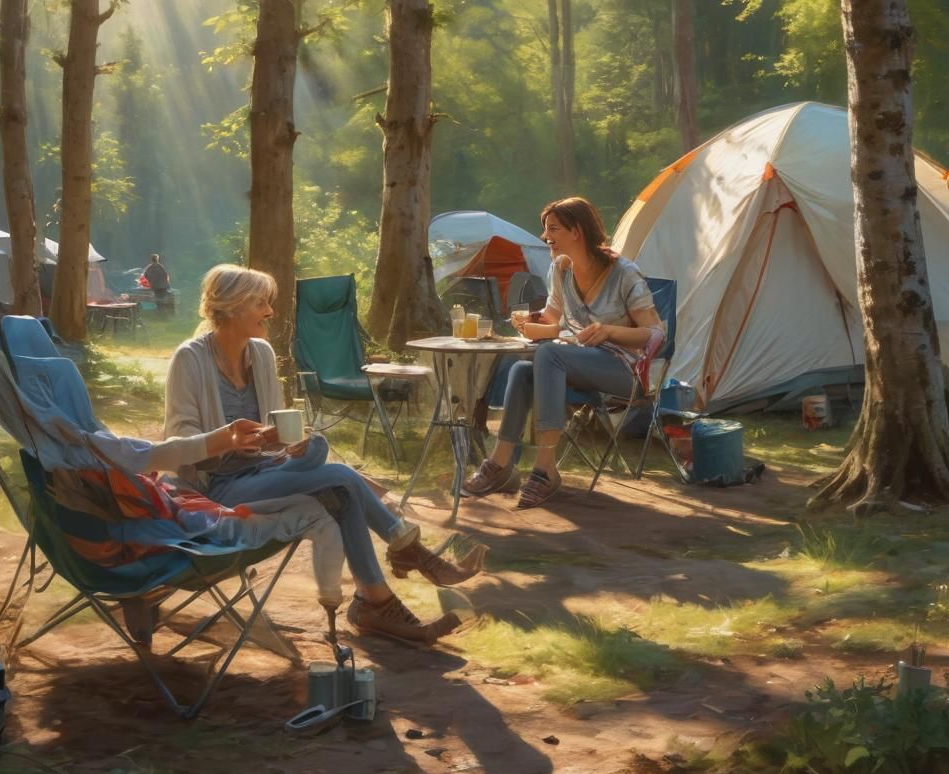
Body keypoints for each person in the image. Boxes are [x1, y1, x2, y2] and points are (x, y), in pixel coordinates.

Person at [164, 264, 484, 646]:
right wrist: (229, 441)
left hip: (265, 470)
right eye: (260, 303)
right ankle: (409, 555)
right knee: (344, 479)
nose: (270, 311)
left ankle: (375, 601)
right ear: (232, 307)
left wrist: (288, 442)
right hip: (218, 488)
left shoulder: (261, 354)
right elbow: (179, 441)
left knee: (336, 480)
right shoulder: (190, 359)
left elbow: (275, 433)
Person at [463, 196, 664, 510]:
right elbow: (552, 320)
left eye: (553, 229)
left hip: (627, 371)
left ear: (577, 231)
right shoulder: (561, 269)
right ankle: (500, 463)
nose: (546, 237)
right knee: (521, 370)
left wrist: (610, 330)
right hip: (580, 362)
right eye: (546, 230)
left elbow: (655, 335)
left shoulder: (623, 273)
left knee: (548, 355)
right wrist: (530, 322)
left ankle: (545, 468)